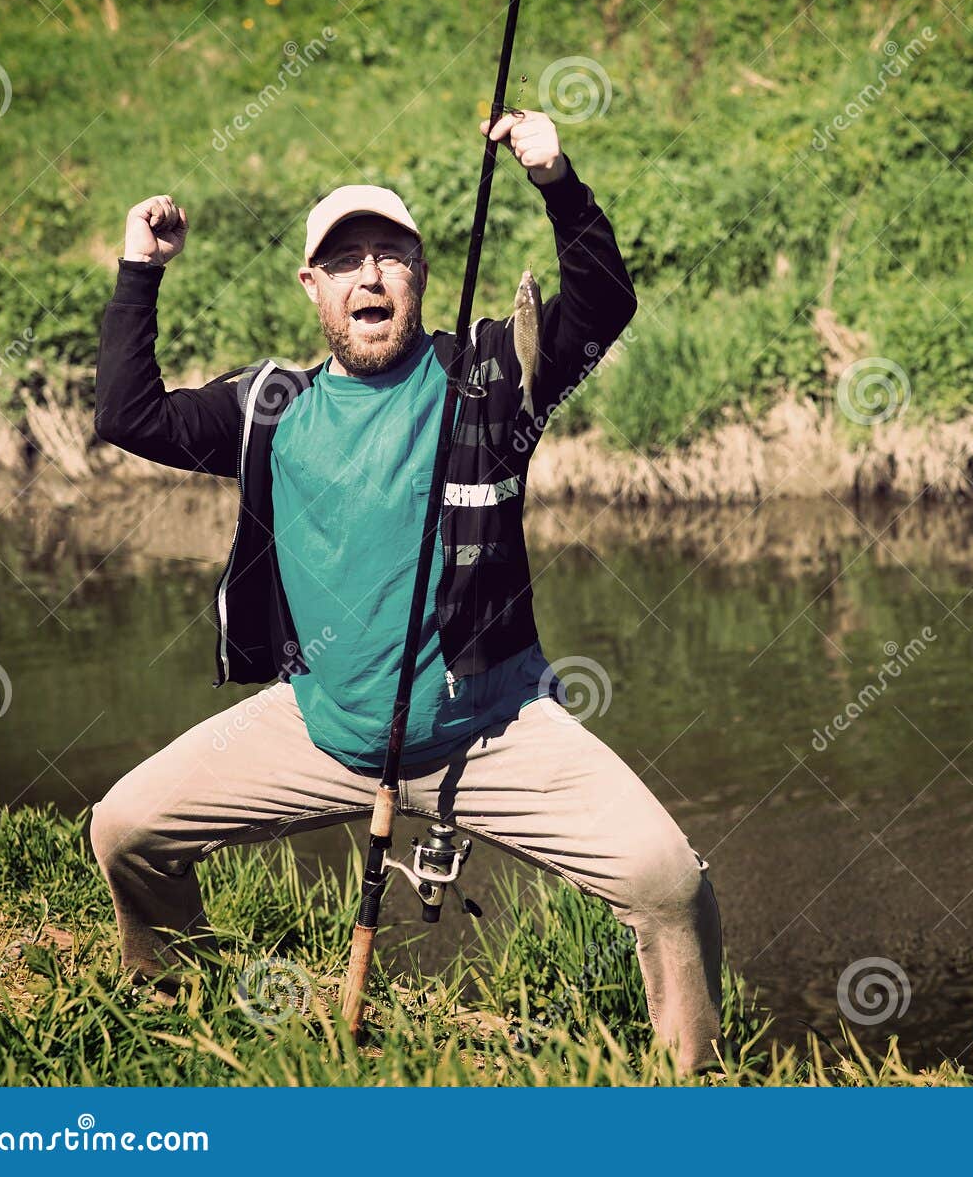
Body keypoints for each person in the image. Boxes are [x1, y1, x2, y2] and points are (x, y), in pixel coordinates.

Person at [87, 109, 723, 1071]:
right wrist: (141, 270)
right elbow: (127, 414)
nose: (370, 275)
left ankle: (695, 1087)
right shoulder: (271, 410)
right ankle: (171, 1002)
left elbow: (603, 307)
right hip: (321, 729)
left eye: (391, 255)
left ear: (420, 275)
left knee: (669, 883)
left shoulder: (490, 379)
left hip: (492, 727)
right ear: (314, 288)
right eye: (346, 262)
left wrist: (555, 179)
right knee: (126, 829)